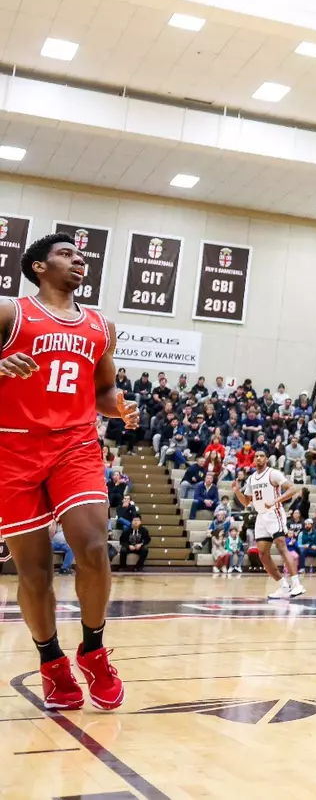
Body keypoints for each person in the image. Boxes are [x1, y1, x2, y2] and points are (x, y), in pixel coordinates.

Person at [0, 233, 139, 711]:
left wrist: (119, 407)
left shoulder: (101, 325)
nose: (78, 260)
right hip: (12, 449)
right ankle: (52, 662)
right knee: (34, 570)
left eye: (81, 256)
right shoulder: (10, 313)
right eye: (66, 254)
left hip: (74, 445)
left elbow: (103, 391)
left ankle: (94, 651)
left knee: (94, 546)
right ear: (38, 266)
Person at [234, 451, 304, 600]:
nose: (258, 458)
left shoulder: (273, 473)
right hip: (261, 516)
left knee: (281, 546)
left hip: (274, 513)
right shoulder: (251, 478)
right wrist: (237, 492)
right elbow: (246, 502)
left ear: (266, 459)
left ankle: (297, 584)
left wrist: (275, 500)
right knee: (262, 554)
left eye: (261, 456)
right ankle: (283, 585)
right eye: (256, 456)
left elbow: (293, 488)